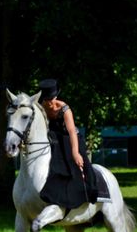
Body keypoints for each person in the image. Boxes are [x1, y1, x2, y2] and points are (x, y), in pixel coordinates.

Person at [38, 79, 98, 209]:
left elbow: (72, 132)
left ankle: (87, 191)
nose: (49, 102)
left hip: (70, 139)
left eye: (51, 98)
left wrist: (75, 153)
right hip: (54, 138)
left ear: (56, 96)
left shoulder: (65, 109)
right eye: (46, 99)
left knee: (77, 162)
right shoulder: (41, 106)